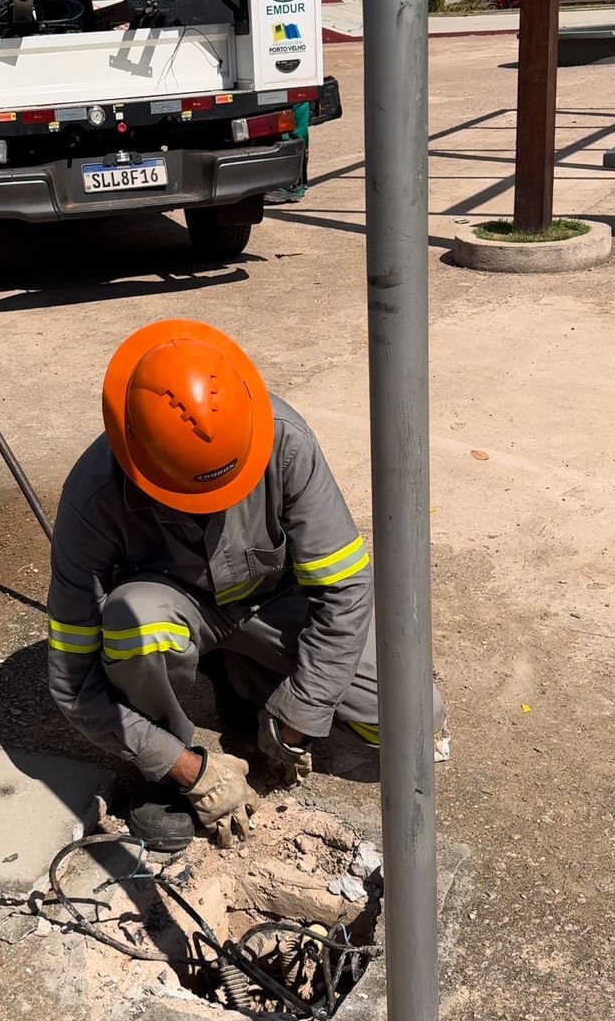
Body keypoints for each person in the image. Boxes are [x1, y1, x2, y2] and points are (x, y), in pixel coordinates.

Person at [47, 320, 448, 851]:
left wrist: (302, 714)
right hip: (176, 609)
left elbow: (346, 590)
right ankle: (164, 754)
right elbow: (72, 680)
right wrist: (181, 766)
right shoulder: (92, 497)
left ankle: (242, 674)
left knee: (415, 717)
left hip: (272, 604)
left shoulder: (286, 441)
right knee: (134, 620)